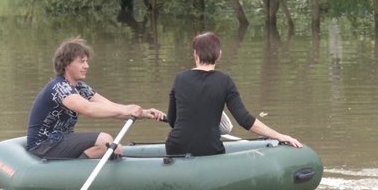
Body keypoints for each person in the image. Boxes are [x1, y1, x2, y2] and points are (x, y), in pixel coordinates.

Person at [165, 31, 302, 156]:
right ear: (219, 55)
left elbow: (172, 121)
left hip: (176, 148)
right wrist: (279, 136)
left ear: (195, 54)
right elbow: (245, 120)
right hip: (209, 150)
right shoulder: (225, 81)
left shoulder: (180, 79)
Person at [27, 37, 166, 159]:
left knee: (117, 148)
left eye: (87, 61)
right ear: (66, 64)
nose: (86, 66)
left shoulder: (80, 87)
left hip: (61, 141)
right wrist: (126, 111)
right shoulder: (59, 87)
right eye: (81, 62)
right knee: (104, 140)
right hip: (43, 145)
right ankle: (76, 174)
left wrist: (143, 112)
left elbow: (109, 106)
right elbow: (88, 109)